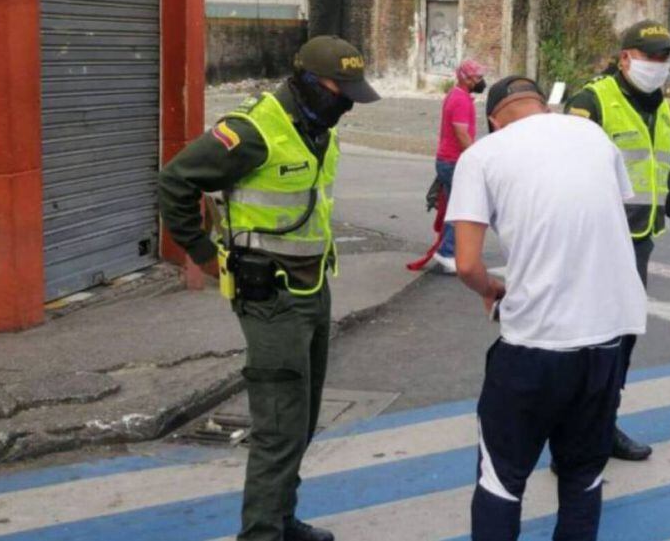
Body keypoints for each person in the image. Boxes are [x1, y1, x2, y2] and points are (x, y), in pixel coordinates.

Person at [158, 36, 380, 541]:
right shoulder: (252, 129)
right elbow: (175, 181)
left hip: (313, 288)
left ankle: (281, 518)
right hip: (270, 298)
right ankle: (261, 533)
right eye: (339, 91)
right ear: (306, 82)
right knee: (279, 427)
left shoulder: (318, 125)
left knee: (302, 420)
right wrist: (202, 254)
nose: (347, 102)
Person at [448, 76, 647, 541]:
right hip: (605, 342)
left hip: (534, 348)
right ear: (541, 105)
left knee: (502, 481)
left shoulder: (482, 155)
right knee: (583, 476)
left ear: (495, 120)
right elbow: (606, 213)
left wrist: (492, 289)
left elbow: (467, 264)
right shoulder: (594, 137)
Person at [565, 19, 670, 462]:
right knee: (586, 340)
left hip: (638, 243)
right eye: (650, 56)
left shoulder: (661, 109)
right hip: (595, 244)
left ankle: (604, 424)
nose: (658, 65)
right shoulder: (592, 101)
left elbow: (666, 174)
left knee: (623, 338)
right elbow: (563, 173)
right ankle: (572, 432)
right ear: (625, 58)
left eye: (664, 58)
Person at [432, 60, 487, 274]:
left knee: (455, 207)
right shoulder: (461, 100)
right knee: (462, 209)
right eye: (478, 77)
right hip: (453, 161)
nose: (481, 81)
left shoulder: (457, 96)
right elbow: (461, 133)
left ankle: (449, 252)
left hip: (448, 160)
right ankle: (447, 252)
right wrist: (476, 158)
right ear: (466, 78)